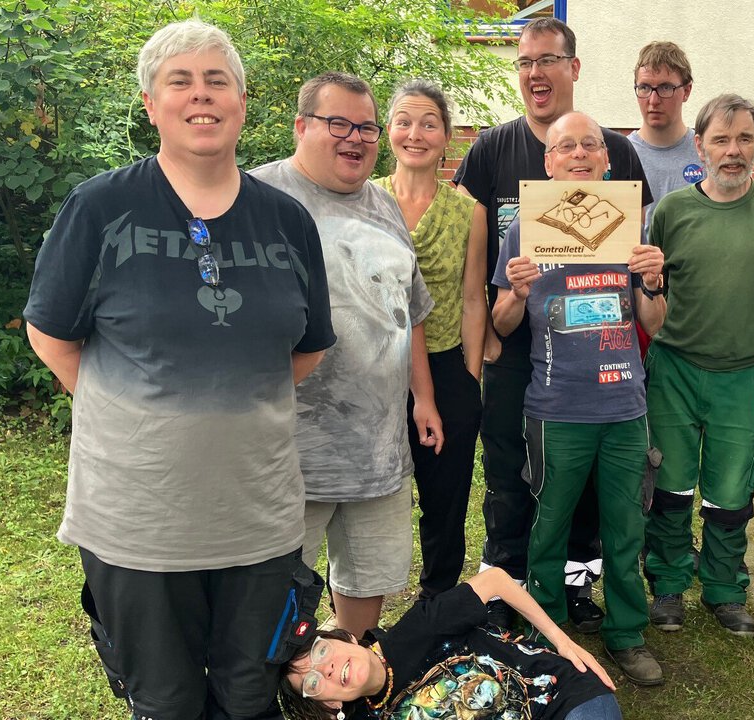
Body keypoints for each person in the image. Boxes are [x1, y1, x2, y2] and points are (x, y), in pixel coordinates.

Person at [24, 19, 335, 719]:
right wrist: (135, 411)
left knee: (251, 698)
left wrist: (230, 404)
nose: (202, 95)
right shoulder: (100, 207)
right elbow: (50, 335)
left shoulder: (287, 222)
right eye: (181, 81)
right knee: (164, 703)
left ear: (242, 103)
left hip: (258, 517)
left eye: (217, 81)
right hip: (138, 520)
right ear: (150, 103)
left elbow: (308, 347)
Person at [453, 17, 653, 631]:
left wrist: (651, 278)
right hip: (525, 357)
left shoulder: (617, 153)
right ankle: (509, 592)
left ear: (573, 67)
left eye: (547, 60)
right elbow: (470, 246)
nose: (535, 72)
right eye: (525, 62)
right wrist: (488, 329)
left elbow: (637, 266)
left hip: (604, 367)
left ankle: (579, 589)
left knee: (594, 495)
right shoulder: (492, 148)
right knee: (516, 480)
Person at [251, 72, 438, 637]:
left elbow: (410, 310)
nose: (355, 137)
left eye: (366, 127)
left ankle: (342, 670)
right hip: (286, 456)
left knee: (366, 585)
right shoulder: (255, 199)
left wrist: (424, 398)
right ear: (301, 126)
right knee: (272, 600)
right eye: (338, 124)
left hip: (377, 451)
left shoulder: (384, 205)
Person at [491, 112, 668, 686]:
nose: (579, 154)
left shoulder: (630, 226)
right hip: (556, 407)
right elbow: (501, 322)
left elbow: (654, 323)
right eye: (566, 146)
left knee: (625, 527)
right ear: (549, 163)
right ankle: (550, 635)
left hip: (624, 407)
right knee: (548, 525)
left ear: (607, 159)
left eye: (590, 144)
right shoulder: (525, 229)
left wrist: (654, 282)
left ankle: (627, 634)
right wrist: (517, 293)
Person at [643, 93, 754, 638]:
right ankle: (668, 584)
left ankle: (724, 588)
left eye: (744, 139)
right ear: (700, 146)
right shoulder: (672, 212)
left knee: (732, 493)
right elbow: (654, 290)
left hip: (742, 375)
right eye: (721, 140)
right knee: (669, 486)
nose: (733, 151)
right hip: (675, 369)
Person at [372, 80, 487, 599]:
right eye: (404, 122)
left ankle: (437, 597)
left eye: (428, 124)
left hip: (444, 366)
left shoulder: (468, 212)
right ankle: (359, 600)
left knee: (445, 497)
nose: (415, 134)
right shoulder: (364, 198)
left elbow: (472, 298)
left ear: (446, 137)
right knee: (371, 496)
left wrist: (468, 378)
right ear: (388, 130)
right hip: (372, 369)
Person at [277, 568, 621, 720]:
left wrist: (562, 641)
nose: (327, 669)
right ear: (329, 704)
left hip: (562, 699)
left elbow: (495, 581)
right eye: (313, 682)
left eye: (321, 652)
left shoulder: (416, 630)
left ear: (346, 637)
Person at [627, 41, 703, 227]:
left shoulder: (706, 153)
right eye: (644, 88)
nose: (653, 100)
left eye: (665, 88)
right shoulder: (621, 155)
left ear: (686, 91)